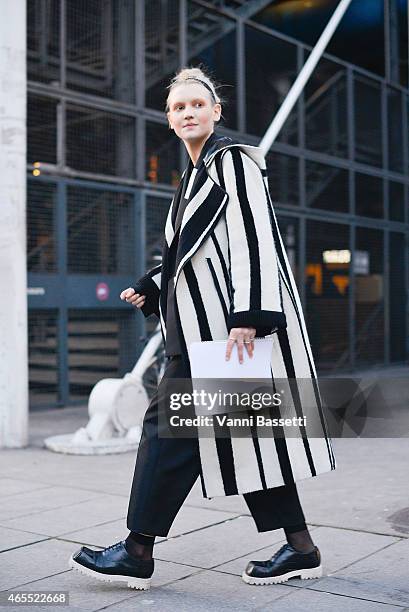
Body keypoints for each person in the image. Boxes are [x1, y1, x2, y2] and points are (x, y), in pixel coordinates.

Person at [69, 66, 336, 590]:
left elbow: (253, 235)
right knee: (244, 436)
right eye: (177, 108)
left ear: (216, 112)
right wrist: (153, 281)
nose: (187, 112)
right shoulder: (194, 175)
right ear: (169, 121)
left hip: (222, 333)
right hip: (202, 330)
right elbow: (196, 249)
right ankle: (301, 548)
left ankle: (137, 549)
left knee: (167, 429)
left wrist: (249, 316)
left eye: (197, 104)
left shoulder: (231, 160)